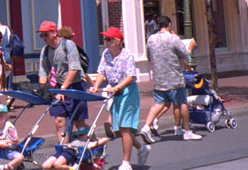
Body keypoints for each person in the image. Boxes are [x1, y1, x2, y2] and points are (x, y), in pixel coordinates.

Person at [89, 27, 149, 170]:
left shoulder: (127, 55)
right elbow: (101, 72)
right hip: (114, 91)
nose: (106, 42)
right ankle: (141, 148)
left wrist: (117, 87)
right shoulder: (106, 54)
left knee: (124, 127)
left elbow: (130, 76)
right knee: (117, 130)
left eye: (109, 39)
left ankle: (126, 163)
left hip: (127, 91)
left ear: (118, 41)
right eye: (105, 39)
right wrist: (96, 86)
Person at [139, 16, 202, 142]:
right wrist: (191, 46)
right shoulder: (173, 38)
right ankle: (187, 131)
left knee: (158, 104)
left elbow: (149, 56)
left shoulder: (151, 39)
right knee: (182, 102)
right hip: (174, 78)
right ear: (169, 24)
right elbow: (186, 55)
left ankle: (146, 127)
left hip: (159, 78)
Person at [37, 20, 88, 142]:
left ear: (54, 33)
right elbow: (43, 72)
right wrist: (42, 90)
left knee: (79, 122)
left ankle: (95, 145)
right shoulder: (45, 50)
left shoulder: (68, 45)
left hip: (75, 86)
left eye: (46, 34)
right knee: (59, 121)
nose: (43, 37)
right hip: (59, 87)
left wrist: (63, 89)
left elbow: (74, 68)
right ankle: (64, 151)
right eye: (41, 35)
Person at [40, 126, 109, 170]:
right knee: (45, 166)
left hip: (72, 152)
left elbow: (105, 139)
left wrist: (96, 139)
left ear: (88, 135)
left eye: (82, 135)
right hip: (63, 150)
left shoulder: (88, 143)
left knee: (57, 164)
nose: (79, 136)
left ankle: (72, 168)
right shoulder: (75, 140)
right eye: (78, 135)